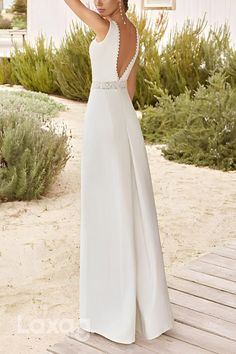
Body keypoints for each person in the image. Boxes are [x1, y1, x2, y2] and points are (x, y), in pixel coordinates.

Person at [64, 0, 175, 345]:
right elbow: (130, 90)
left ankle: (110, 310)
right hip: (125, 122)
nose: (98, 1)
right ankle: (139, 305)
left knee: (104, 210)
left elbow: (70, 3)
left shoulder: (104, 28)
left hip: (102, 120)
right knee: (129, 207)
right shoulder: (134, 34)